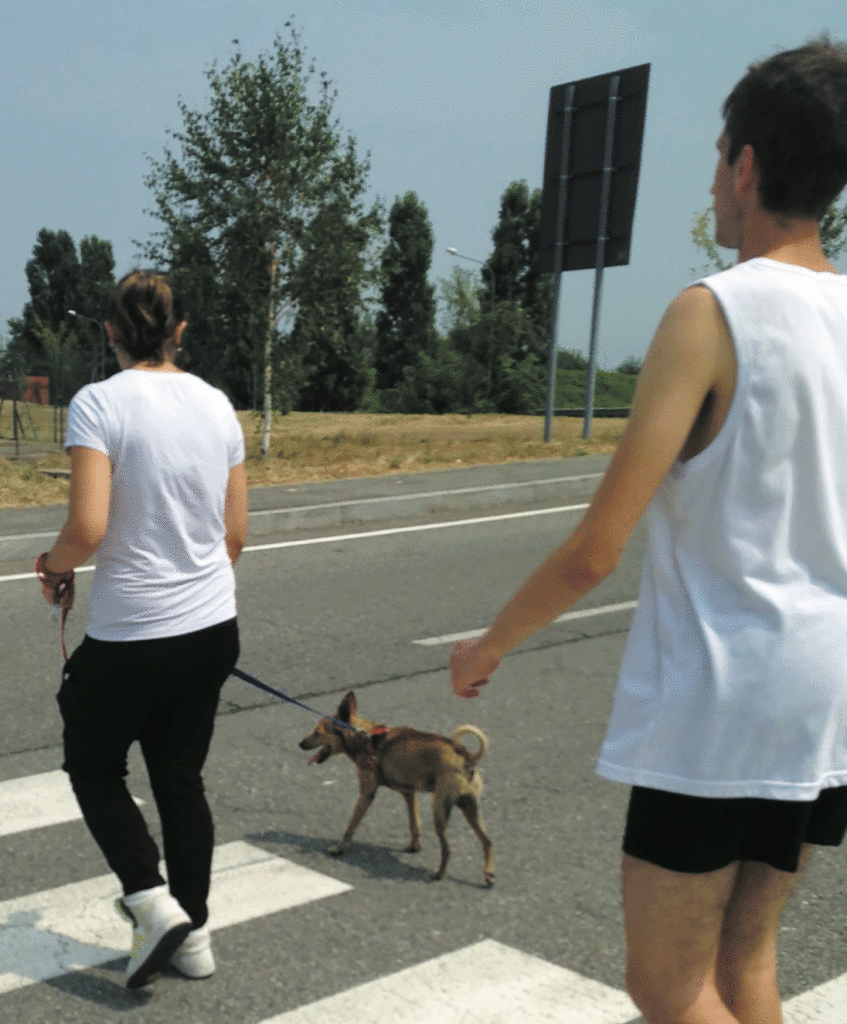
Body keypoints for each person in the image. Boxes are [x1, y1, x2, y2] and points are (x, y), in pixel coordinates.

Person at [450, 37, 847, 1024]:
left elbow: (596, 546)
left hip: (720, 698)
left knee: (666, 987)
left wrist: (488, 645)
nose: (713, 181)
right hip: (822, 695)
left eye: (719, 156)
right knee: (745, 963)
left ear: (746, 165)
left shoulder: (709, 313)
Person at [36, 270, 248, 990]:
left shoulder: (99, 403)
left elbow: (87, 527)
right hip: (213, 625)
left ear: (111, 333)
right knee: (180, 780)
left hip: (133, 634)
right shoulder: (218, 405)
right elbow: (237, 535)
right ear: (180, 331)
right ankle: (195, 938)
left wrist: (52, 565)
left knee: (92, 764)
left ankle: (150, 901)